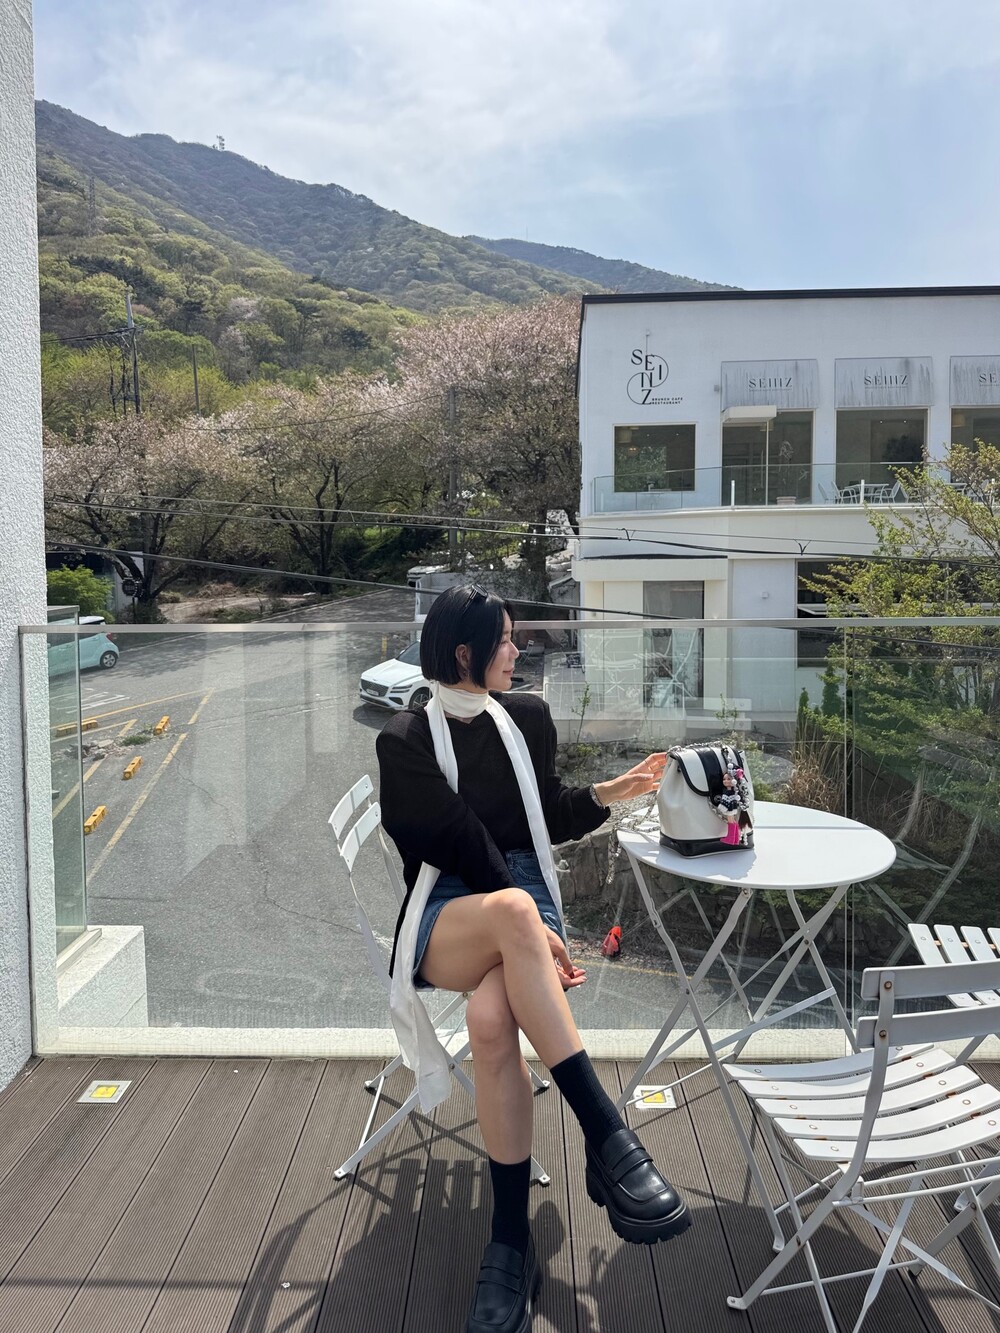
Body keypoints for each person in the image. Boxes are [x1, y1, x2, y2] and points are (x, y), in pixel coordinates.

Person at [376, 585, 690, 1333]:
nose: (518, 651)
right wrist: (529, 922)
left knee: (491, 1022)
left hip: (517, 894)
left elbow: (541, 814)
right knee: (515, 913)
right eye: (506, 640)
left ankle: (510, 1242)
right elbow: (457, 842)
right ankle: (606, 1133)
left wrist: (611, 792)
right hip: (446, 908)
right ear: (465, 653)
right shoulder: (405, 739)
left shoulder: (526, 718)